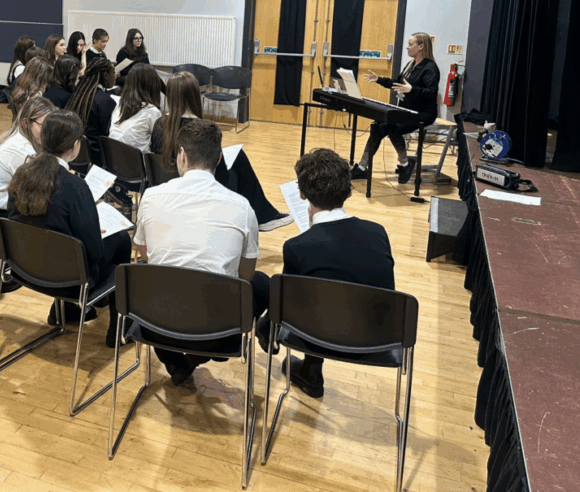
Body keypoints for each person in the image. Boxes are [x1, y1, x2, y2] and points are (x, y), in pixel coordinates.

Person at [134, 119, 269, 386]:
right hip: (216, 330)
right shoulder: (243, 207)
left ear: (181, 156)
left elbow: (145, 254)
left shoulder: (150, 196)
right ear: (218, 159)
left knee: (149, 276)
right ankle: (195, 358)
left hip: (156, 321)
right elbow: (245, 275)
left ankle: (176, 361)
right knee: (262, 284)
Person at [257, 148, 395, 398]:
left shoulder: (297, 247)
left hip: (318, 335)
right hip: (376, 339)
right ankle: (310, 371)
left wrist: (267, 324)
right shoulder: (378, 233)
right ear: (348, 190)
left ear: (302, 194)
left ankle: (302, 362)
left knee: (296, 295)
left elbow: (288, 307)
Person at [8, 110, 132, 342]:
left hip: (24, 267)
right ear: (75, 146)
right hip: (69, 279)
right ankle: (118, 330)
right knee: (122, 240)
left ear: (42, 139)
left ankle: (65, 310)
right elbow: (94, 252)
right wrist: (91, 232)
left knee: (60, 241)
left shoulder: (20, 174)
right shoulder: (75, 187)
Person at [152, 71, 293, 230]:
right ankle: (263, 216)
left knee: (235, 158)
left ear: (170, 96)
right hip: (200, 188)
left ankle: (263, 216)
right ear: (194, 96)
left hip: (165, 186)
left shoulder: (159, 124)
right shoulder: (203, 128)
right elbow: (215, 169)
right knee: (238, 161)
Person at [351, 31, 441, 184]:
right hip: (406, 110)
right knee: (378, 126)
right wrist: (379, 79)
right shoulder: (411, 65)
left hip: (423, 113)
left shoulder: (430, 67)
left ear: (421, 46)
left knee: (392, 127)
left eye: (410, 44)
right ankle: (363, 167)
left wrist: (412, 89)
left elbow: (432, 93)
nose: (407, 47)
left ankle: (403, 164)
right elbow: (397, 83)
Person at [0, 96, 55, 213]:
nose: (49, 132)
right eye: (44, 126)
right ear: (26, 123)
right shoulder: (23, 150)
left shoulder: (15, 136)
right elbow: (40, 189)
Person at [66, 57, 117, 160]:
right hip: (97, 155)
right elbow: (109, 134)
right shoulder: (106, 101)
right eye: (113, 72)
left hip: (75, 152)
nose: (115, 76)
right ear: (105, 75)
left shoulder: (78, 94)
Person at [109, 63, 162, 153]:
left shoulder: (119, 105)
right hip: (138, 160)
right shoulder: (152, 112)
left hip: (113, 158)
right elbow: (159, 146)